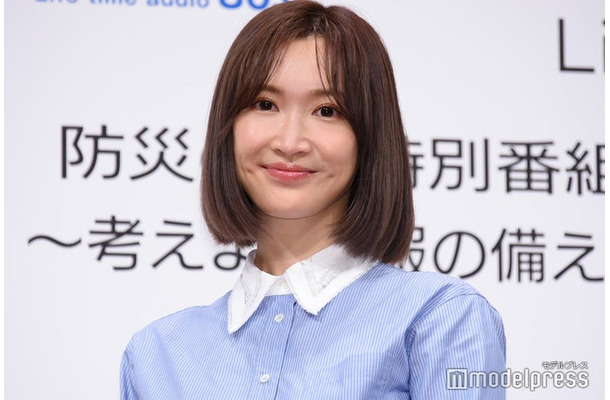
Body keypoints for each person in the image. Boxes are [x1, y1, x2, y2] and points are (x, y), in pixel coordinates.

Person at [120, 1, 506, 399]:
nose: (290, 142)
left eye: (326, 111)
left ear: (370, 138)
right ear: (228, 126)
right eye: (265, 104)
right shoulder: (156, 355)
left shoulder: (439, 318)